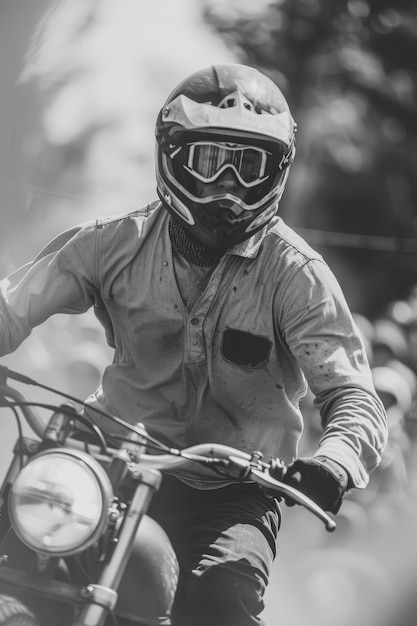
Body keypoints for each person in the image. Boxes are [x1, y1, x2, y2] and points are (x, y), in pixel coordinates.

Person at [0, 63, 387, 626]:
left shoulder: (298, 274)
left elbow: (351, 392)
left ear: (276, 171)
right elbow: (13, 306)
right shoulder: (110, 243)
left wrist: (335, 461)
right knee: (17, 540)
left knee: (220, 598)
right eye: (210, 161)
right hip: (111, 459)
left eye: (248, 166)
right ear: (173, 156)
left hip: (234, 490)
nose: (227, 184)